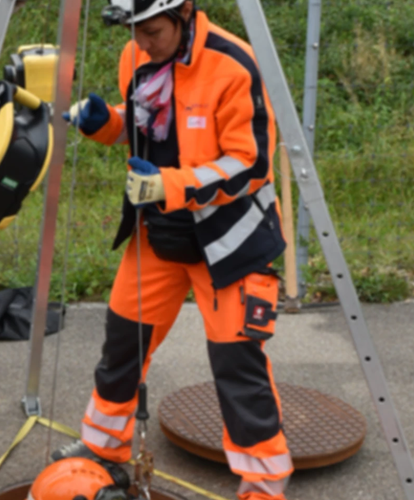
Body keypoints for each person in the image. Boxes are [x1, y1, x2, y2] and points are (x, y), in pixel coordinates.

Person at [53, 1, 292, 499]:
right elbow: (141, 129)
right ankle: (103, 447)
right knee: (122, 343)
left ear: (184, 14)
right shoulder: (134, 57)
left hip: (229, 242)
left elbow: (250, 165)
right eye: (134, 31)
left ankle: (264, 484)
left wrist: (170, 184)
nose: (142, 43)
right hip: (158, 235)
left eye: (153, 31)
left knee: (236, 364)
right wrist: (105, 123)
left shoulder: (233, 64)